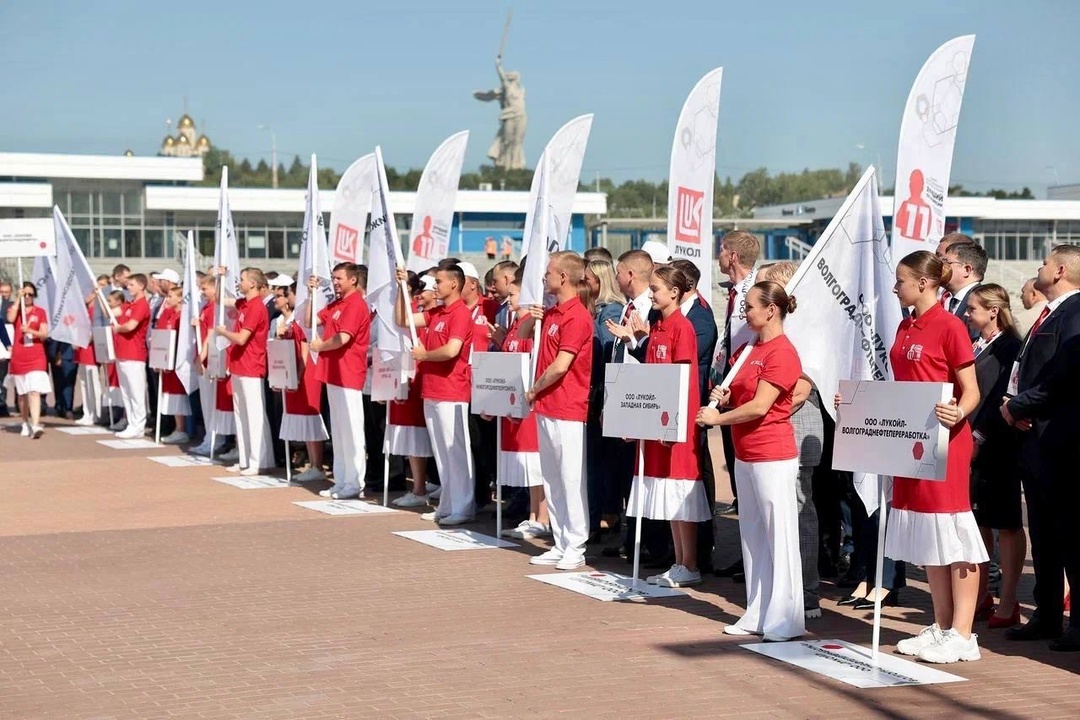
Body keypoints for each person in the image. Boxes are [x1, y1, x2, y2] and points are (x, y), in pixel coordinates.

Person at [864, 250, 985, 664]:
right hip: (912, 438)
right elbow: (901, 388)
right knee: (930, 534)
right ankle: (942, 624)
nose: (896, 287)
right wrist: (859, 404)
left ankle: (964, 634)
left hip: (947, 440)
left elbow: (970, 390)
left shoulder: (950, 325)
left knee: (953, 531)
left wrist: (960, 411)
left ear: (924, 283)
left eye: (901, 281)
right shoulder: (905, 324)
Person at [697, 280, 804, 641]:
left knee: (779, 536)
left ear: (771, 310)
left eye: (751, 306)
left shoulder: (782, 352)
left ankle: (786, 617)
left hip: (773, 453)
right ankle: (758, 610)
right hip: (746, 453)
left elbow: (760, 406)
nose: (746, 312)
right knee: (753, 535)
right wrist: (723, 398)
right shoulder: (747, 348)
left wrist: (717, 420)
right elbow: (741, 394)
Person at [1001, 244, 1080, 649]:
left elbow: (1065, 375)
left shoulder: (1076, 312)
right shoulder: (1047, 314)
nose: (1038, 268)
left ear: (1061, 269)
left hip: (1060, 441)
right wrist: (1012, 405)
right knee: (1045, 535)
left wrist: (1019, 404)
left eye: (1045, 263)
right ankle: (1047, 615)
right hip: (1033, 440)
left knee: (1070, 534)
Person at [610, 265, 709, 587]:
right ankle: (679, 561)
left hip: (674, 426)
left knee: (680, 492)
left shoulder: (682, 327)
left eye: (655, 289)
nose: (650, 294)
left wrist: (671, 425)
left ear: (674, 293)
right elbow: (651, 379)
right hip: (659, 426)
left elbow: (680, 381)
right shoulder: (659, 327)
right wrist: (637, 420)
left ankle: (689, 563)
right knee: (667, 492)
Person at [757, 261, 823, 618]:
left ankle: (807, 591)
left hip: (796, 429)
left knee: (799, 510)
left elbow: (799, 389)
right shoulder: (764, 334)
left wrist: (757, 410)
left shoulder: (805, 332)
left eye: (764, 286)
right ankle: (776, 588)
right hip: (768, 430)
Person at [522, 251, 594, 570]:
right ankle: (560, 539)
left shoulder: (576, 316)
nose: (544, 276)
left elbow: (561, 365)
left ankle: (576, 544)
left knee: (570, 478)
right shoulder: (551, 314)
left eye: (549, 272)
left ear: (563, 277)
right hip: (548, 406)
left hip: (567, 407)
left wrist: (535, 387)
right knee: (551, 477)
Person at [394, 263, 475, 525]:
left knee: (456, 453)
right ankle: (448, 504)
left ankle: (463, 506)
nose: (434, 286)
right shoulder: (437, 312)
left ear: (454, 283)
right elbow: (404, 320)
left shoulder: (460, 313)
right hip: (432, 390)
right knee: (442, 453)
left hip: (453, 392)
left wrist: (424, 355)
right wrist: (402, 289)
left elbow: (452, 350)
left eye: (439, 281)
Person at [963, 284, 1024, 629]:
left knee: (1007, 522)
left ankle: (1010, 599)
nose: (968, 315)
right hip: (973, 446)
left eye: (973, 309)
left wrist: (980, 436)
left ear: (993, 311)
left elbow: (999, 396)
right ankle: (982, 591)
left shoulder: (1010, 348)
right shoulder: (977, 346)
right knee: (980, 521)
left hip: (998, 445)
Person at [713, 230, 760, 578]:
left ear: (731, 256)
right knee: (737, 476)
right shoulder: (735, 294)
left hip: (749, 391)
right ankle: (747, 555)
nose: (718, 255)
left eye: (721, 250)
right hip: (729, 390)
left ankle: (755, 557)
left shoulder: (755, 294)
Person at [493, 277, 550, 538]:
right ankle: (532, 516)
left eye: (514, 294)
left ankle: (543, 517)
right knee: (528, 465)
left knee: (535, 462)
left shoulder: (532, 326)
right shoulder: (515, 325)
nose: (509, 299)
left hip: (529, 402)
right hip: (514, 404)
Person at [308, 263, 371, 499]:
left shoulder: (355, 305)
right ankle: (342, 479)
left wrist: (321, 346)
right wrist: (311, 293)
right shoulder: (336, 303)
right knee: (340, 430)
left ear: (353, 280)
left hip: (349, 374)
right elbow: (310, 320)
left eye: (339, 278)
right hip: (333, 373)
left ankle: (354, 482)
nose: (335, 282)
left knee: (352, 430)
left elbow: (344, 337)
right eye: (333, 278)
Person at [215, 267, 273, 476]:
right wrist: (221, 277)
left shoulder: (256, 307)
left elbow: (241, 338)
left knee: (254, 415)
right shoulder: (244, 304)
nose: (239, 283)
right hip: (239, 365)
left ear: (253, 284)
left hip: (251, 366)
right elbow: (220, 299)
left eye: (242, 280)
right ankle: (245, 459)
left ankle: (258, 460)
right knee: (241, 415)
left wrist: (224, 332)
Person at [584, 258, 625, 535]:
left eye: (587, 280)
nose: (584, 285)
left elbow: (606, 356)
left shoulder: (611, 311)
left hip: (604, 391)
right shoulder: (598, 311)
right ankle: (601, 511)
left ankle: (608, 513)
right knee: (598, 460)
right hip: (597, 391)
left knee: (606, 461)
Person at [389, 275, 437, 508]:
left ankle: (422, 488)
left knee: (424, 437)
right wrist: (402, 290)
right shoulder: (422, 314)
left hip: (425, 379)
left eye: (424, 291)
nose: (422, 295)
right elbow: (401, 319)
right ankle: (419, 487)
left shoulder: (437, 315)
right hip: (412, 377)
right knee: (413, 436)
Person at [274, 283, 328, 482]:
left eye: (289, 294)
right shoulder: (292, 321)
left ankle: (317, 464)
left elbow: (305, 352)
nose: (287, 298)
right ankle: (313, 464)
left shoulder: (303, 323)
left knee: (311, 415)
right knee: (302, 418)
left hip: (306, 373)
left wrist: (297, 375)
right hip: (295, 373)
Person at [6, 282, 51, 438]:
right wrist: (17, 299)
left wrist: (31, 330)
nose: (27, 297)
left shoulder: (40, 312)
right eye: (25, 294)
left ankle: (36, 424)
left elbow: (44, 333)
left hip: (36, 356)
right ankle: (25, 422)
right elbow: (10, 318)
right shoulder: (16, 310)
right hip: (19, 356)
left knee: (34, 391)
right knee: (22, 394)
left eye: (30, 294)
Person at [111, 274, 151, 439]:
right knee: (127, 391)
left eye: (132, 284)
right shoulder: (129, 304)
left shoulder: (141, 305)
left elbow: (131, 326)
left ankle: (139, 425)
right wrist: (99, 293)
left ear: (141, 286)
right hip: (122, 353)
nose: (128, 287)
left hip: (134, 354)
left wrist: (118, 328)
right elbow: (112, 312)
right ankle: (131, 423)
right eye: (128, 284)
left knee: (136, 391)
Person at [156, 286, 191, 445]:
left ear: (180, 298)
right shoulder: (167, 313)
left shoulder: (183, 316)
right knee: (169, 394)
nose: (168, 299)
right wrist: (158, 359)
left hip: (178, 361)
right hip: (166, 360)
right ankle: (177, 428)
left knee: (178, 395)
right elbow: (160, 334)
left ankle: (181, 429)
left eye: (171, 296)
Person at [940, 240, 986, 341]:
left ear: (967, 270)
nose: (941, 268)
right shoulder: (949, 300)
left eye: (946, 263)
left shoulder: (982, 303)